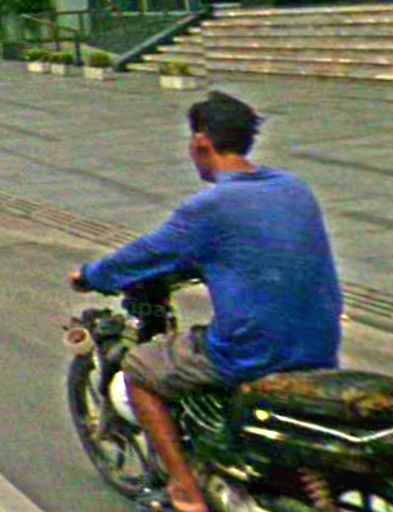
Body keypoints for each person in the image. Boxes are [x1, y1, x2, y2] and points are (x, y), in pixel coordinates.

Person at [70, 91, 343, 512]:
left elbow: (146, 255)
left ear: (201, 143)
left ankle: (185, 490)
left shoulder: (210, 208)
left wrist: (89, 276)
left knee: (140, 369)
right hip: (320, 347)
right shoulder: (295, 189)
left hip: (252, 354)